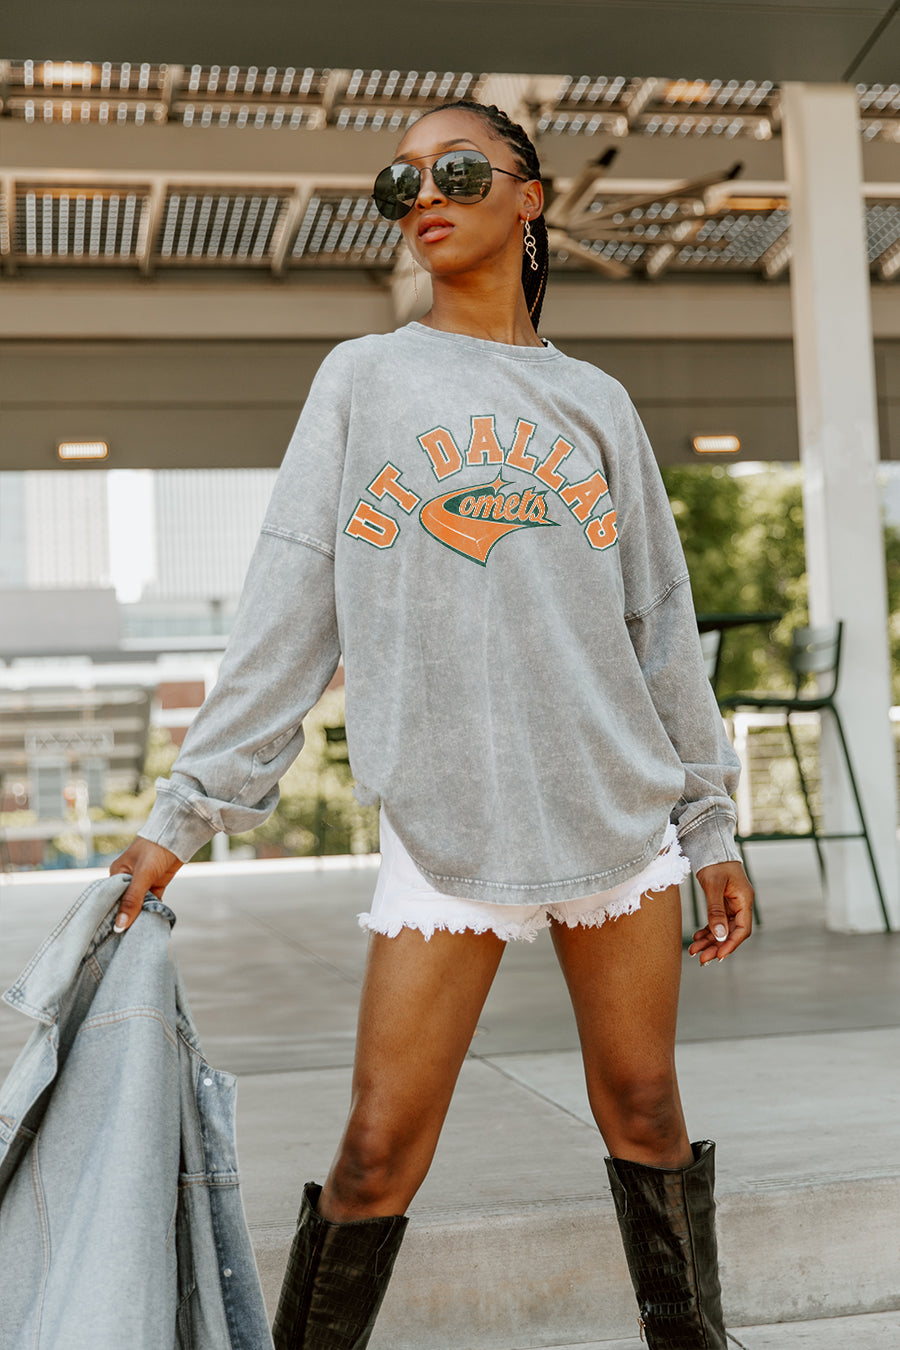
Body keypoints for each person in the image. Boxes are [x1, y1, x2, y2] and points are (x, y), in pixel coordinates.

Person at [111, 99, 753, 1350]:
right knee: (374, 1152)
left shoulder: (598, 403)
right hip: (448, 819)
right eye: (397, 181)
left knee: (646, 1109)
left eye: (456, 169)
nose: (423, 197)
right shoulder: (365, 379)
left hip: (617, 812)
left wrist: (710, 823)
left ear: (530, 197)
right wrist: (183, 815)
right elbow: (291, 602)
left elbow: (660, 626)